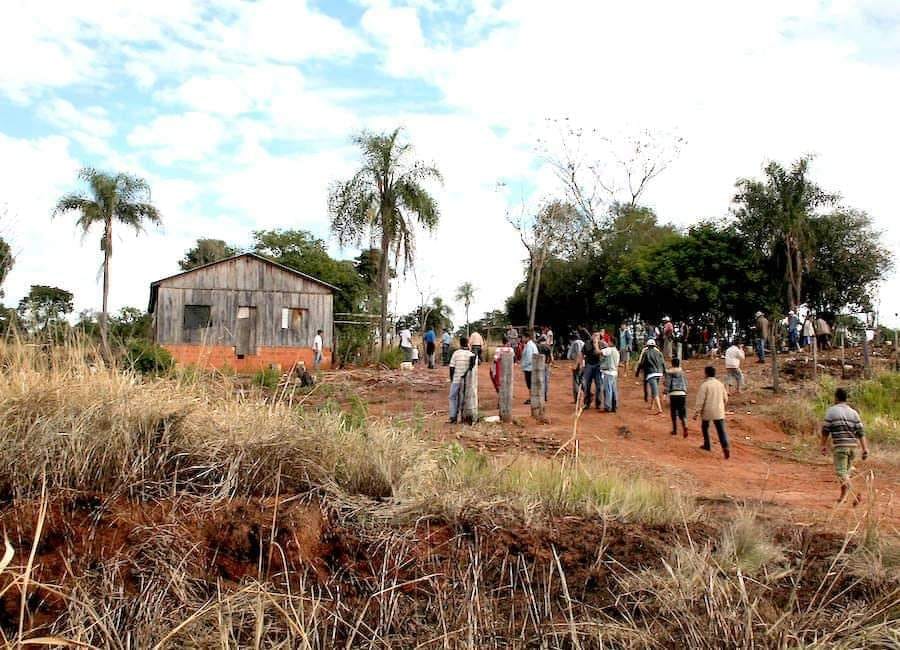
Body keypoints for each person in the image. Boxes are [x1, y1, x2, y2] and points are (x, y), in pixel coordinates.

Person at [821, 387, 869, 503]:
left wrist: (823, 445)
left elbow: (826, 430)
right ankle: (843, 497)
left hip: (840, 447)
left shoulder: (831, 411)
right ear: (846, 398)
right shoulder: (853, 413)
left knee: (841, 472)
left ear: (836, 397)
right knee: (846, 473)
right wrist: (865, 448)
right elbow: (861, 432)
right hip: (853, 447)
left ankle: (855, 492)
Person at [694, 365, 730, 459]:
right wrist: (722, 406)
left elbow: (700, 401)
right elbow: (725, 398)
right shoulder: (720, 384)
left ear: (706, 374)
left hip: (707, 411)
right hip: (719, 411)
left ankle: (707, 444)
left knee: (705, 427)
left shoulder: (705, 385)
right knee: (721, 431)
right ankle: (725, 447)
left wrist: (696, 412)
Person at [447, 336, 476, 424]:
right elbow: (473, 367)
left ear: (460, 343)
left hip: (456, 379)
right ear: (467, 344)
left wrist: (452, 379)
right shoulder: (471, 354)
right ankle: (465, 417)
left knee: (453, 397)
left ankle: (453, 417)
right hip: (467, 382)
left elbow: (451, 367)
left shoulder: (456, 353)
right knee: (465, 399)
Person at [635, 339, 665, 414]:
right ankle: (652, 405)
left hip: (651, 373)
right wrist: (664, 372)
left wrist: (637, 372)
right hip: (659, 373)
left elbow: (641, 363)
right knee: (654, 389)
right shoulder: (659, 353)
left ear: (648, 346)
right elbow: (663, 363)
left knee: (655, 391)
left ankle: (660, 409)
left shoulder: (646, 352)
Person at [579, 332, 605, 410]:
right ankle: (587, 403)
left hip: (598, 366)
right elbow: (582, 353)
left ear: (600, 337)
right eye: (594, 335)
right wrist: (581, 364)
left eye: (597, 336)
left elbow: (603, 355)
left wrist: (596, 344)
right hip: (589, 365)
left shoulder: (602, 344)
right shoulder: (587, 344)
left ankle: (598, 403)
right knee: (586, 385)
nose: (595, 337)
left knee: (599, 385)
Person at [664, 357, 689, 437]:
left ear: (672, 364)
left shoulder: (669, 372)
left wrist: (665, 393)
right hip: (682, 394)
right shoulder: (683, 372)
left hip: (673, 394)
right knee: (682, 412)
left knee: (673, 412)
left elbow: (668, 384)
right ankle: (685, 425)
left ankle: (675, 430)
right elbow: (686, 383)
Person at [600, 340, 620, 412]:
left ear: (611, 342)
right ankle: (614, 406)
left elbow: (598, 352)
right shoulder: (617, 352)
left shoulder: (609, 350)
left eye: (609, 342)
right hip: (614, 372)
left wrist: (595, 343)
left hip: (608, 372)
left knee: (608, 390)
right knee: (614, 390)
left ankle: (608, 406)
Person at [567, 332, 586, 403]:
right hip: (582, 363)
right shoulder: (582, 342)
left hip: (578, 363)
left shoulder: (575, 343)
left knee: (576, 381)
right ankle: (587, 395)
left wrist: (576, 364)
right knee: (581, 379)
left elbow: (579, 353)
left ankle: (577, 399)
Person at [520, 331, 538, 404]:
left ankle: (531, 398)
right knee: (530, 384)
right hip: (530, 367)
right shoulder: (529, 344)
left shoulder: (530, 346)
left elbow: (529, 358)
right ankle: (531, 397)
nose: (522, 339)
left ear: (527, 337)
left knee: (530, 384)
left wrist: (523, 365)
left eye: (523, 337)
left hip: (529, 368)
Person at [537, 334, 552, 401]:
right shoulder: (548, 347)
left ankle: (539, 394)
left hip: (538, 364)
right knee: (545, 380)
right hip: (546, 364)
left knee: (539, 380)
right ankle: (545, 395)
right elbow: (551, 358)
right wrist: (549, 363)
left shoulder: (537, 346)